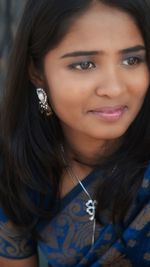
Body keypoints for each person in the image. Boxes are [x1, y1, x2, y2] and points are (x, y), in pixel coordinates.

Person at [0, 0, 150, 266]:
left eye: (132, 59)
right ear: (37, 72)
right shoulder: (17, 171)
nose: (114, 89)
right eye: (84, 65)